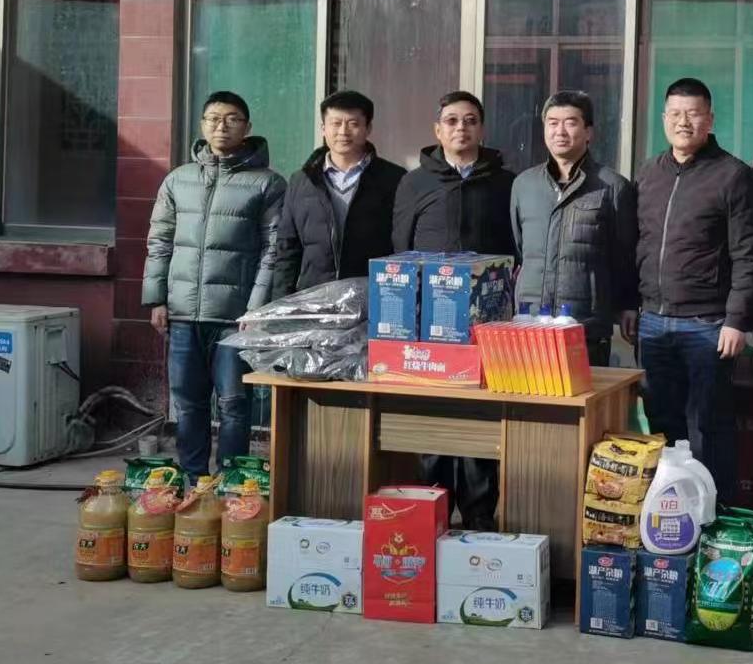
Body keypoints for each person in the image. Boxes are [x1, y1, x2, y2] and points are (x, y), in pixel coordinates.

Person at [634, 77, 753, 502]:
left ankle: (714, 512)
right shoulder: (649, 173)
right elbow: (637, 242)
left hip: (708, 324)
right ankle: (669, 509)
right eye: (675, 114)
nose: (683, 122)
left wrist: (736, 320)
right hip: (653, 322)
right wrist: (630, 305)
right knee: (661, 422)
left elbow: (749, 254)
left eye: (693, 114)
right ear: (663, 119)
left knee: (709, 424)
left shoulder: (733, 176)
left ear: (710, 120)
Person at [142, 91, 286, 478]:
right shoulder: (178, 180)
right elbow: (159, 241)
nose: (222, 126)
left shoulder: (268, 184)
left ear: (247, 127)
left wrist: (256, 308)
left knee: (234, 403)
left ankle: (230, 483)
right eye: (213, 118)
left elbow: (273, 249)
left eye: (232, 119)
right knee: (187, 404)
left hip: (235, 318)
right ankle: (194, 482)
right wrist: (156, 299)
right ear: (202, 125)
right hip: (183, 313)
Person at [393, 91, 516, 531]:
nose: (460, 128)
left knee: (481, 421)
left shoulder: (506, 182)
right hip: (430, 325)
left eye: (469, 120)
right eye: (451, 120)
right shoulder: (414, 183)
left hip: (488, 323)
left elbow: (515, 247)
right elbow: (400, 248)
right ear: (437, 129)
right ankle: (434, 513)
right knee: (434, 421)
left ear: (481, 128)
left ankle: (480, 515)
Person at [510, 90, 639, 367]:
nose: (560, 131)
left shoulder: (612, 186)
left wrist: (627, 304)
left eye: (570, 123)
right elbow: (521, 248)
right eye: (552, 123)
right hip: (530, 323)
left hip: (585, 325)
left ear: (588, 132)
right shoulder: (524, 185)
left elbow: (625, 255)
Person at [272, 90, 407, 296]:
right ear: (323, 129)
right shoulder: (301, 181)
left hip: (371, 297)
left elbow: (403, 247)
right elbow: (287, 249)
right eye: (335, 123)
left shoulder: (394, 179)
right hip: (313, 297)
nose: (343, 132)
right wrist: (280, 303)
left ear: (368, 128)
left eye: (353, 124)